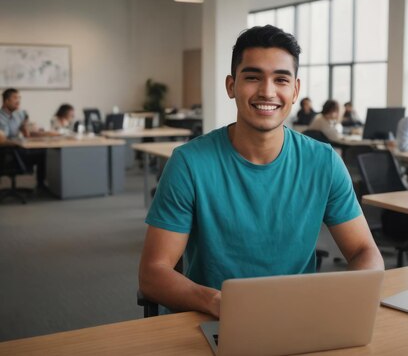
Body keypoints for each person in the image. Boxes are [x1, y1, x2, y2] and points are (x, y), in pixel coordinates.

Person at [139, 25, 383, 318]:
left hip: (298, 318)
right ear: (231, 86)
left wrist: (339, 299)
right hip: (215, 319)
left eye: (281, 79)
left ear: (295, 91)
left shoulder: (324, 162)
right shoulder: (189, 163)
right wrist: (217, 303)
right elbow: (153, 274)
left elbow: (364, 252)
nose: (267, 91)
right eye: (253, 77)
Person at [0, 88, 49, 187]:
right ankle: (40, 183)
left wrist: (26, 126)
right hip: (5, 151)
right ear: (6, 101)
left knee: (45, 151)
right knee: (43, 154)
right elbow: (2, 141)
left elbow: (27, 132)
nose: (18, 101)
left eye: (19, 98)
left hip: (17, 148)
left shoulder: (20, 114)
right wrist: (19, 143)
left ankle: (40, 184)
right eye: (15, 98)